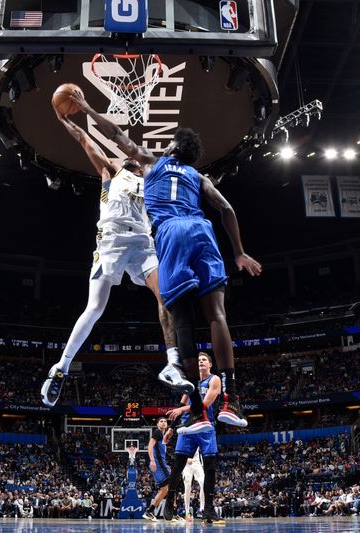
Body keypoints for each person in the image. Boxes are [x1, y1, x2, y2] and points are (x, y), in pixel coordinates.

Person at [71, 92, 262, 432]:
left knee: (183, 319)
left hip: (171, 234)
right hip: (202, 230)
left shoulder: (152, 162)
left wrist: (86, 109)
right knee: (217, 314)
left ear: (173, 147)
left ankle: (199, 415)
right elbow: (226, 209)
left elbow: (115, 135)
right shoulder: (198, 176)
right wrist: (239, 252)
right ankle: (231, 401)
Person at [40, 110, 193, 407]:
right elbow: (86, 141)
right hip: (111, 240)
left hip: (144, 245)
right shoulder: (111, 170)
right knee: (95, 308)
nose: (131, 158)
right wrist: (65, 121)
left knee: (168, 298)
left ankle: (172, 363)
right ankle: (61, 367)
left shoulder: (152, 179)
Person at [162, 353, 225, 525]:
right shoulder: (190, 382)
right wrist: (170, 429)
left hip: (205, 426)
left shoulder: (214, 380)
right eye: (198, 360)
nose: (200, 362)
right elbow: (181, 405)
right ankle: (169, 502)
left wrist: (183, 410)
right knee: (177, 466)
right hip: (187, 427)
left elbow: (204, 404)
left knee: (210, 468)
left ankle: (208, 511)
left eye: (204, 360)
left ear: (210, 364)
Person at [143, 417, 173, 521]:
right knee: (172, 485)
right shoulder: (157, 432)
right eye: (161, 421)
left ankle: (149, 511)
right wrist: (152, 460)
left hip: (161, 463)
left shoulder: (163, 436)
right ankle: (173, 513)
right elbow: (150, 446)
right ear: (157, 424)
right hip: (158, 464)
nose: (164, 422)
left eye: (165, 421)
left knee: (164, 490)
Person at [182, 449, 205, 520]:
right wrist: (185, 459)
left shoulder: (199, 438)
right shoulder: (182, 437)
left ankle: (202, 509)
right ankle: (187, 512)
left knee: (203, 483)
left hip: (197, 463)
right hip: (187, 464)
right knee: (187, 487)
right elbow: (178, 451)